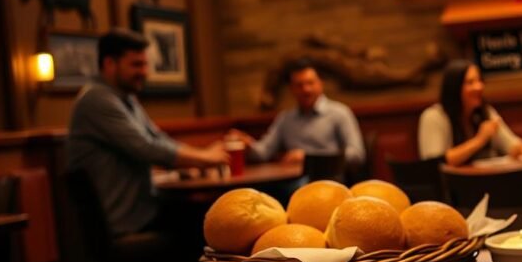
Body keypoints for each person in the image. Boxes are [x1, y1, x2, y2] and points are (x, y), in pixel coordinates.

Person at [67, 29, 228, 234]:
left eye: (145, 64)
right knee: (210, 221)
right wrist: (206, 157)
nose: (145, 72)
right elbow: (146, 148)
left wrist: (200, 157)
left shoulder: (125, 98)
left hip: (142, 211)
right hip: (126, 222)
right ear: (109, 64)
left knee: (209, 215)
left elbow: (158, 138)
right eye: (136, 64)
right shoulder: (96, 99)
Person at [231, 58, 366, 167]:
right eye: (299, 85)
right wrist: (248, 143)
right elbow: (263, 152)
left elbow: (356, 155)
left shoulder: (339, 113)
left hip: (328, 181)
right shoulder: (285, 119)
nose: (306, 89)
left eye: (310, 83)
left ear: (320, 84)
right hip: (291, 179)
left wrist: (309, 158)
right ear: (292, 89)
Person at [419, 60, 522, 166]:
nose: (479, 87)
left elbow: (514, 144)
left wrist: (518, 149)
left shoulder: (486, 112)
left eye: (479, 81)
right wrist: (479, 140)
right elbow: (433, 163)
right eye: (470, 82)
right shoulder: (433, 117)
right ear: (454, 88)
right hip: (453, 183)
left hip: (486, 180)